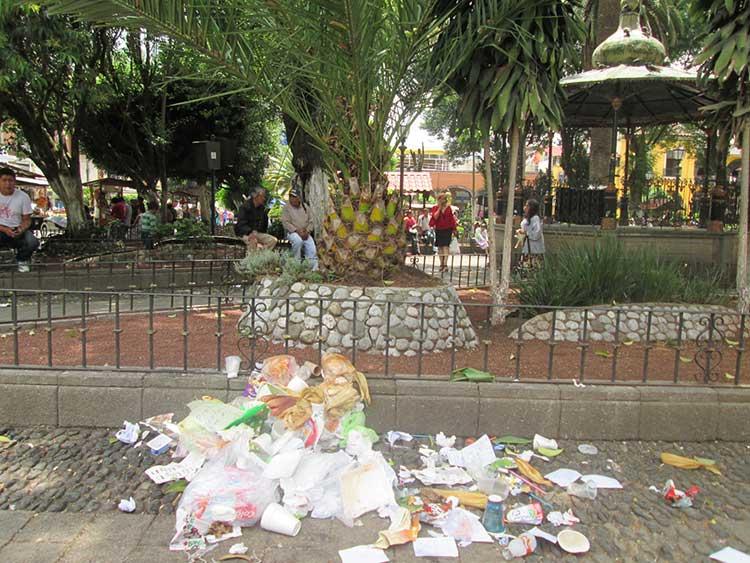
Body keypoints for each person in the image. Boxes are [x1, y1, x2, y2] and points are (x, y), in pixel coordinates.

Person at [0, 167, 40, 272]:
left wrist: (21, 229)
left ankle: (22, 260)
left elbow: (27, 219)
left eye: (10, 180)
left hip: (17, 228)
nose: (8, 184)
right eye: (4, 180)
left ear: (14, 182)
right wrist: (4, 229)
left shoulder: (23, 196)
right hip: (1, 229)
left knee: (33, 242)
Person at [281, 187, 318, 270]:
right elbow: (285, 222)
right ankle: (296, 264)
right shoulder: (286, 208)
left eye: (294, 197)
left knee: (312, 248)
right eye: (290, 197)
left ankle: (312, 269)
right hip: (292, 232)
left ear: (299, 198)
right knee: (298, 241)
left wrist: (307, 231)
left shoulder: (305, 207)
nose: (292, 199)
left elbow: (311, 221)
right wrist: (297, 230)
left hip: (305, 232)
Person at [234, 187, 277, 251]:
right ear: (256, 196)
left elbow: (264, 226)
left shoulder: (262, 209)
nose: (264, 199)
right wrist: (250, 232)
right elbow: (241, 224)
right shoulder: (245, 207)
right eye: (262, 196)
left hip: (257, 233)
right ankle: (253, 259)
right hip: (245, 233)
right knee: (253, 241)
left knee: (272, 240)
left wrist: (258, 232)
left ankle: (259, 258)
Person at [429, 192, 457, 273]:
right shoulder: (435, 208)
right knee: (440, 247)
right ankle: (441, 264)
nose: (443, 200)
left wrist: (454, 229)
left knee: (445, 246)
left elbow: (452, 220)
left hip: (447, 229)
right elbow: (435, 217)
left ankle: (445, 265)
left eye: (444, 199)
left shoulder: (448, 208)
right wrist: (440, 208)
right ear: (438, 200)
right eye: (441, 199)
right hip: (439, 229)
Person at [518, 199, 545, 266]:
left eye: (527, 206)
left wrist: (526, 233)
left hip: (534, 249)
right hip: (527, 247)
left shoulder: (536, 219)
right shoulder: (527, 218)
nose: (525, 207)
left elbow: (536, 234)